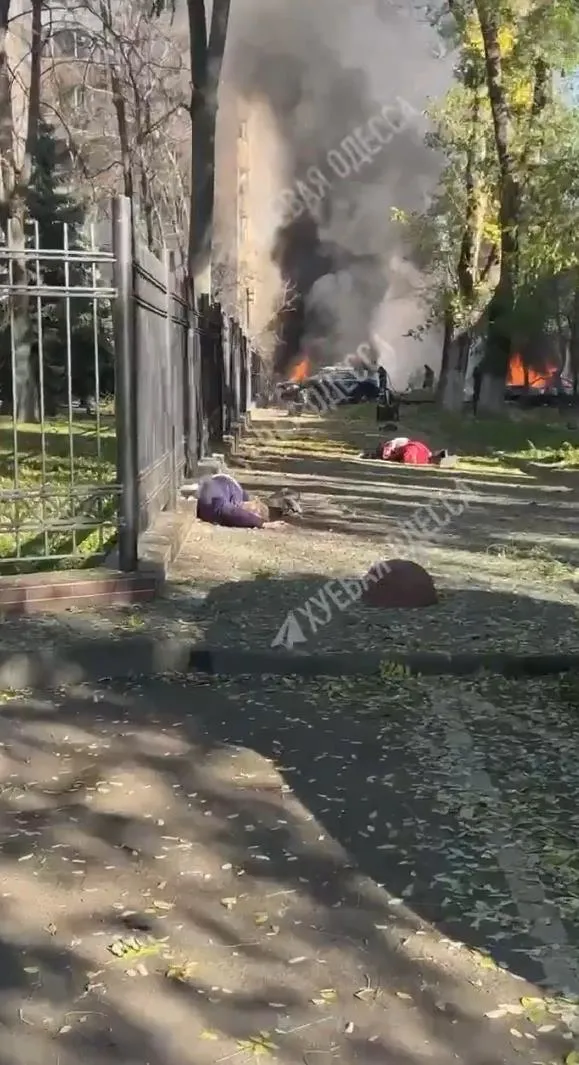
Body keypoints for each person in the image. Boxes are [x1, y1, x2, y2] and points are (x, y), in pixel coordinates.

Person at [196, 474, 285, 529]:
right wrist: (262, 524)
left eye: (254, 515)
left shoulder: (228, 505)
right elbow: (224, 509)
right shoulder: (238, 494)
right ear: (255, 501)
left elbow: (227, 511)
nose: (251, 512)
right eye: (256, 510)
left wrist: (258, 523)